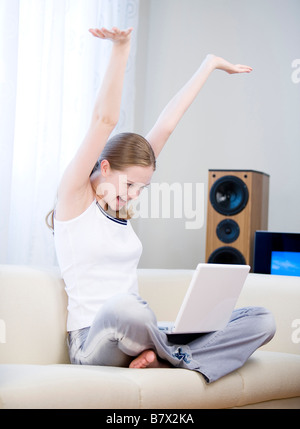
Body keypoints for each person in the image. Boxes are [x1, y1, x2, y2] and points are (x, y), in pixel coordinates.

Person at [51, 27, 275, 383]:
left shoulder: (120, 206)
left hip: (141, 334)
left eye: (143, 187)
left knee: (261, 320)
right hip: (94, 341)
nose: (135, 195)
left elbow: (167, 125)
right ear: (104, 166)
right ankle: (175, 356)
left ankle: (161, 355)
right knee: (129, 309)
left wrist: (210, 65)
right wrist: (121, 47)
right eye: (130, 184)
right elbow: (104, 120)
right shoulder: (74, 196)